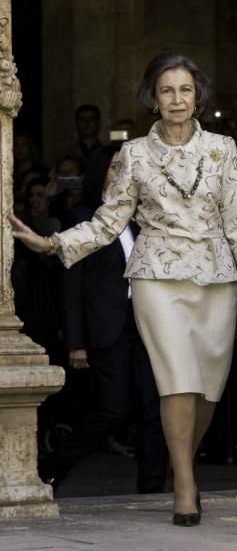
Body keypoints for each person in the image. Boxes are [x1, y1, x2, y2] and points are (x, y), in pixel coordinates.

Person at [9, 52, 237, 526]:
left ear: (197, 96)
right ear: (153, 99)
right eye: (167, 91)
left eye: (185, 89)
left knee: (206, 392)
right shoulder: (133, 154)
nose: (177, 99)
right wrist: (51, 241)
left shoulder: (222, 149)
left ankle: (185, 461)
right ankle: (184, 482)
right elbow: (108, 222)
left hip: (217, 277)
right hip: (157, 276)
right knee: (176, 383)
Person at [41, 150, 167, 495]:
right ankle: (50, 470)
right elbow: (72, 283)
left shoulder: (143, 216)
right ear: (102, 172)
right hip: (105, 326)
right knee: (112, 409)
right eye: (115, 166)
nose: (122, 171)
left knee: (153, 408)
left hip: (145, 322)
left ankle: (153, 486)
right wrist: (75, 341)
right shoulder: (81, 216)